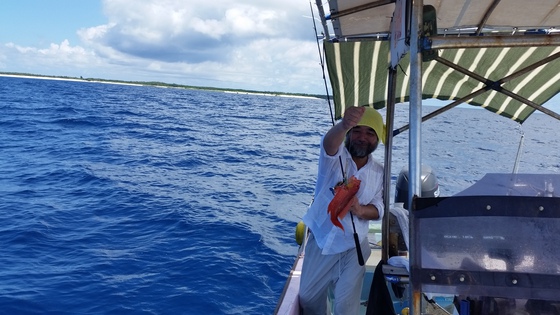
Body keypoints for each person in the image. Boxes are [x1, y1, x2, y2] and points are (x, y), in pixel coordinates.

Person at [299, 106, 385, 314]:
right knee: (307, 299)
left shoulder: (379, 172)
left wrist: (360, 210)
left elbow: (380, 207)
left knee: (346, 307)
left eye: (370, 132)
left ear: (377, 139)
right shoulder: (334, 157)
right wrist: (344, 125)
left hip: (354, 245)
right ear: (349, 133)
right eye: (357, 130)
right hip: (322, 241)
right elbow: (328, 144)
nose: (362, 137)